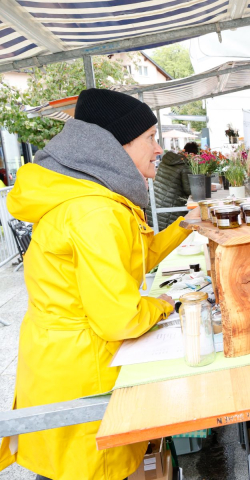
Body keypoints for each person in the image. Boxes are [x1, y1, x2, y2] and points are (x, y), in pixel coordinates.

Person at [0, 88, 200, 480]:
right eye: (150, 138)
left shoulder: (91, 197)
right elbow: (120, 317)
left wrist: (184, 226)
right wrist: (163, 304)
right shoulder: (94, 211)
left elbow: (132, 260)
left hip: (66, 362)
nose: (158, 149)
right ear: (115, 146)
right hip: (82, 371)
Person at [152, 141, 197, 230]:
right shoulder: (184, 165)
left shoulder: (164, 162)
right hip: (170, 211)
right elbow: (188, 190)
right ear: (193, 154)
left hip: (155, 208)